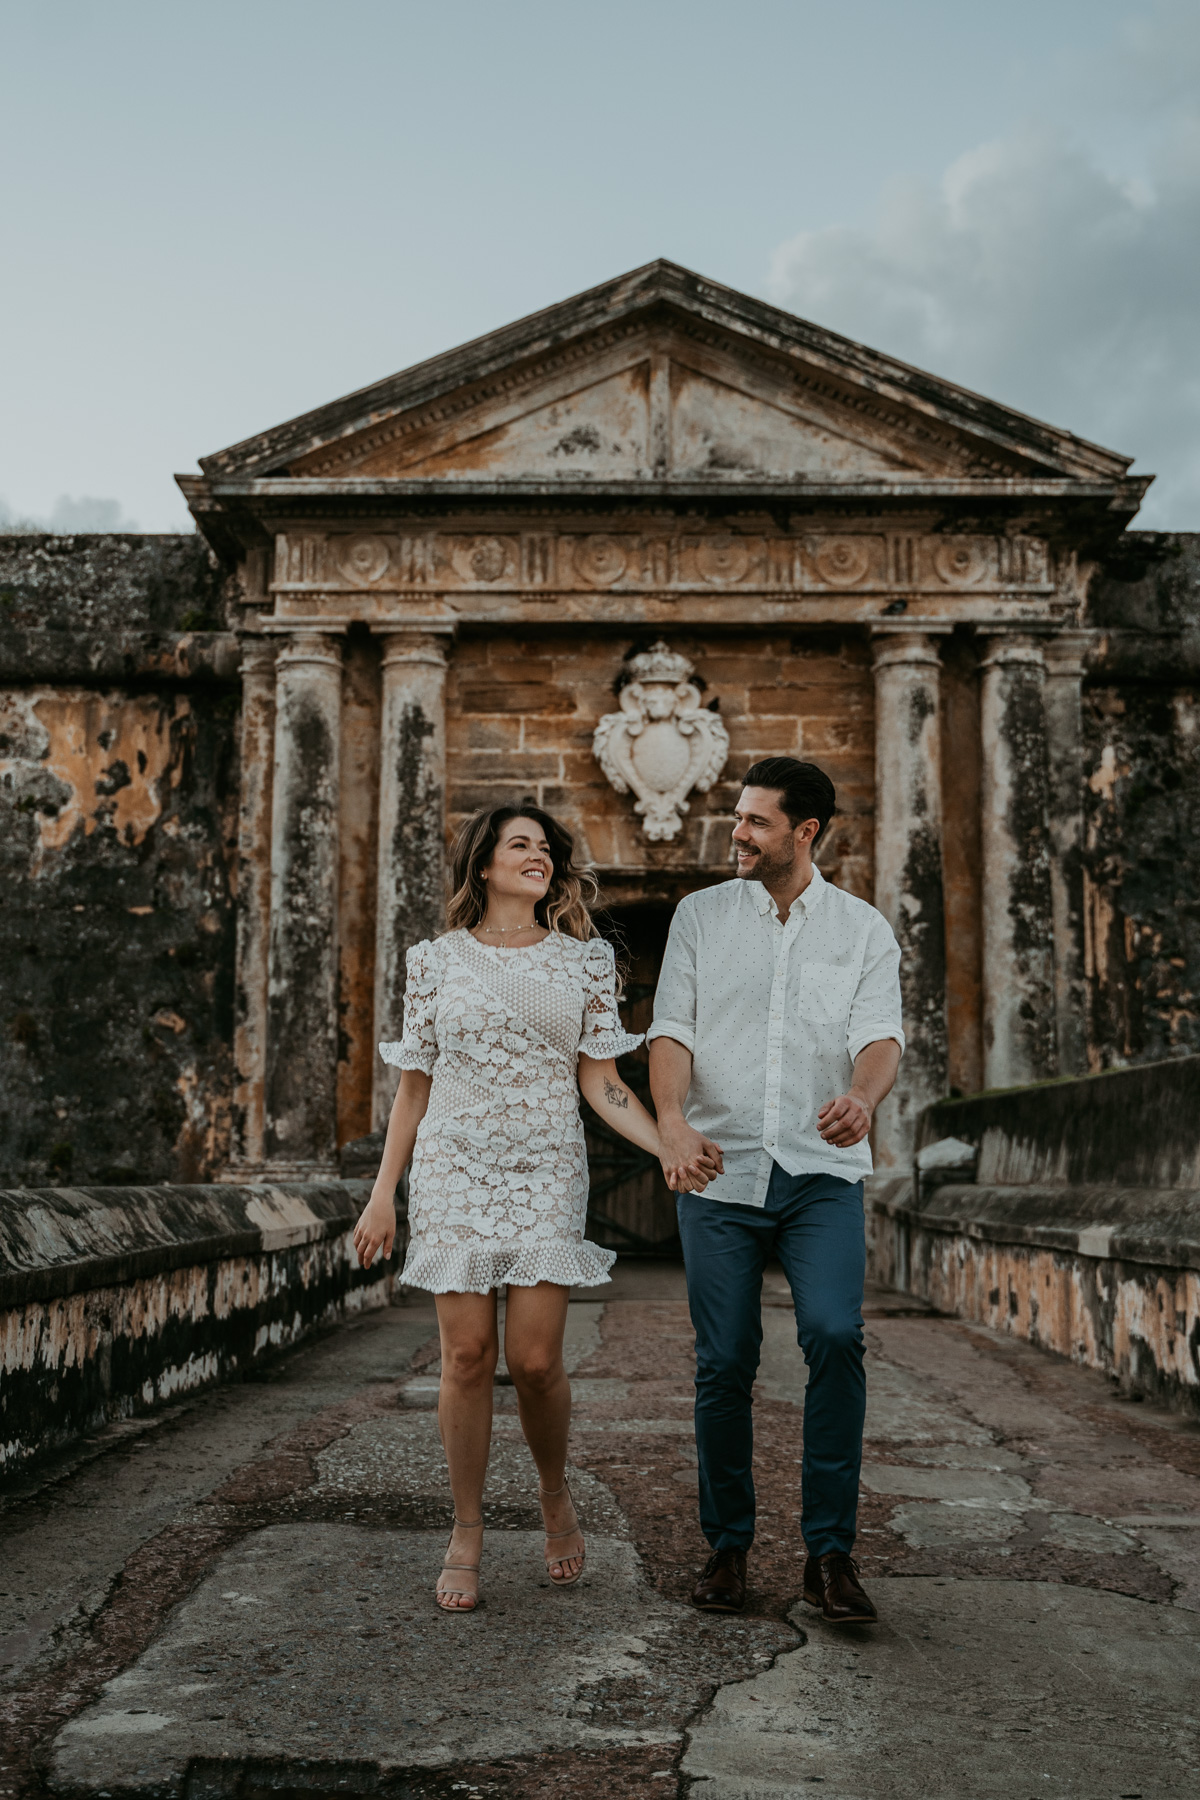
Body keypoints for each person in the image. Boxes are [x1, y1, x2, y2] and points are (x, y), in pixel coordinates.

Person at [353, 803, 714, 1613]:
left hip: (547, 1165)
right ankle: (467, 1529)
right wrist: (384, 1194)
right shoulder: (432, 961)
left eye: (547, 848)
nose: (539, 856)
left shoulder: (585, 964)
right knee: (469, 1356)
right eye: (520, 845)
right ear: (482, 864)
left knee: (537, 1359)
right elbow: (415, 1085)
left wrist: (668, 1147)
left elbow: (602, 1083)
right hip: (453, 1165)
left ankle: (554, 1491)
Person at [648, 756, 904, 1623]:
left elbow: (880, 1038)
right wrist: (673, 1123)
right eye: (738, 816)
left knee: (834, 1337)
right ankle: (729, 1547)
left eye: (757, 821)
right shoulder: (699, 917)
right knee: (725, 1363)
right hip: (719, 1176)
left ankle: (829, 1555)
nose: (739, 832)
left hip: (819, 1175)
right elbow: (672, 1030)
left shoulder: (863, 929)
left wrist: (861, 1099)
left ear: (807, 832)